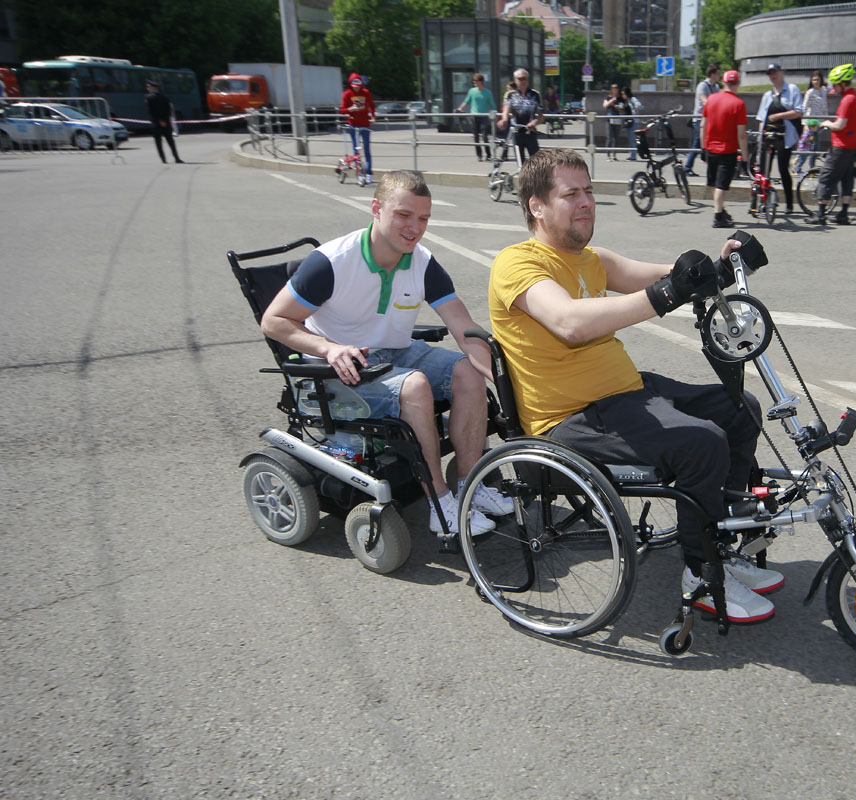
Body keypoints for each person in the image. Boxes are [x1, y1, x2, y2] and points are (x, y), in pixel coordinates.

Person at [488, 147, 781, 624]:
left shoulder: (591, 259)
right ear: (536, 206)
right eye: (571, 194)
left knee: (739, 407)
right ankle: (702, 572)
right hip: (570, 418)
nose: (586, 202)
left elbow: (667, 276)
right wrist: (668, 293)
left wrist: (722, 269)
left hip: (627, 393)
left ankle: (721, 543)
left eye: (589, 192)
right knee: (700, 444)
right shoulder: (518, 264)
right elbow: (569, 322)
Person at [260, 171, 511, 537]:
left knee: (468, 374)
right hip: (340, 373)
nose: (414, 228)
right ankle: (440, 507)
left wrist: (504, 380)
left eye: (423, 218)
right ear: (376, 208)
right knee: (416, 386)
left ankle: (469, 488)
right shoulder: (331, 261)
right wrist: (329, 348)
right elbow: (274, 320)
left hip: (397, 353)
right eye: (404, 215)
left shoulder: (422, 261)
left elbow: (463, 327)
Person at [811, 63, 856, 225]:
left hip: (841, 146)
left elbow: (839, 125)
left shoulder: (847, 100)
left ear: (843, 84)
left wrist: (827, 123)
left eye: (835, 85)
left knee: (826, 177)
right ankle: (843, 213)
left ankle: (821, 214)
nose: (834, 89)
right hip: (855, 145)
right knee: (846, 178)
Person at [701, 70, 749, 229]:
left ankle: (720, 210)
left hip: (710, 148)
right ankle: (718, 217)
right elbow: (741, 135)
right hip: (727, 149)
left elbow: (703, 125)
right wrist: (746, 158)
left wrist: (702, 147)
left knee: (715, 183)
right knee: (721, 184)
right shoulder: (738, 104)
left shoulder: (711, 100)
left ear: (723, 83)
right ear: (738, 84)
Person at [754, 63, 803, 214]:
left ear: (781, 72)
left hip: (785, 136)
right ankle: (762, 202)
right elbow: (762, 118)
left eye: (775, 72)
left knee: (783, 169)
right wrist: (760, 136)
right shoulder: (767, 95)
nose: (772, 75)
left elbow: (798, 111)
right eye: (770, 73)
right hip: (769, 136)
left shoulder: (792, 89)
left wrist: (779, 116)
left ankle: (789, 204)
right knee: (764, 170)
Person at [497, 68, 543, 162]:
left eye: (525, 78)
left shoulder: (535, 94)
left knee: (537, 163)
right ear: (515, 80)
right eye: (520, 79)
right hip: (517, 133)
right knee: (520, 163)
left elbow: (541, 116)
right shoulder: (511, 95)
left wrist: (534, 122)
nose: (523, 81)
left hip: (530, 133)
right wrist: (504, 120)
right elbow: (506, 109)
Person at [685, 64, 721, 176]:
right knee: (697, 143)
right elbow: (705, 101)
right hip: (700, 119)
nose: (720, 76)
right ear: (712, 74)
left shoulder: (716, 87)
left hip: (711, 119)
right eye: (718, 73)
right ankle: (687, 168)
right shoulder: (702, 85)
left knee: (709, 143)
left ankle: (711, 165)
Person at [340, 73, 375, 184]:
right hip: (353, 125)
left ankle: (369, 173)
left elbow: (371, 105)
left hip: (365, 124)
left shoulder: (366, 93)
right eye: (354, 86)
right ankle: (360, 174)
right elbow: (342, 109)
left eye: (359, 86)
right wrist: (351, 109)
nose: (357, 88)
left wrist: (373, 116)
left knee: (367, 150)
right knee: (356, 152)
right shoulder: (347, 94)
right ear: (351, 85)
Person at [457, 73, 496, 163]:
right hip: (474, 116)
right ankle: (479, 155)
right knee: (476, 137)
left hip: (484, 116)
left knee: (485, 136)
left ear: (481, 81)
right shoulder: (472, 91)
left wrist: (495, 115)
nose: (474, 82)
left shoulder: (487, 92)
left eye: (476, 81)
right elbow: (467, 101)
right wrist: (460, 108)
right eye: (473, 81)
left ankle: (488, 155)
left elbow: (492, 105)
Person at [795, 70, 829, 174]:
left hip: (819, 123)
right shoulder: (810, 92)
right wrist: (805, 123)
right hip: (810, 123)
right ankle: (798, 168)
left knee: (816, 147)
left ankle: (812, 168)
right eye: (814, 80)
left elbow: (825, 106)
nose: (816, 82)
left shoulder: (823, 90)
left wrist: (826, 120)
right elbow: (804, 108)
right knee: (807, 147)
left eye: (818, 79)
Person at [144, 79, 183, 164]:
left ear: (153, 88)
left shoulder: (148, 97)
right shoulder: (164, 97)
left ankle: (163, 159)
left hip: (156, 124)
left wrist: (158, 121)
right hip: (166, 123)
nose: (147, 88)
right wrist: (164, 120)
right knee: (170, 141)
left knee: (158, 142)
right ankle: (176, 158)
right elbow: (168, 110)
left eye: (148, 87)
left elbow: (151, 111)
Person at [601, 83, 628, 161]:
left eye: (616, 89)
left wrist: (617, 107)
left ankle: (614, 155)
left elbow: (622, 109)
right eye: (614, 90)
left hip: (617, 119)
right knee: (609, 138)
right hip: (609, 119)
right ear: (611, 90)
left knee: (616, 138)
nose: (615, 91)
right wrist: (611, 101)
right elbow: (604, 105)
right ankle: (608, 155)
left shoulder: (620, 99)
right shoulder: (608, 97)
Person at [624, 87, 643, 160]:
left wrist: (636, 110)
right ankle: (632, 155)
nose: (623, 95)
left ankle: (633, 156)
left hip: (634, 121)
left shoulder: (633, 99)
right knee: (631, 138)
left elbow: (640, 106)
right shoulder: (627, 100)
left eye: (623, 94)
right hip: (629, 122)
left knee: (633, 139)